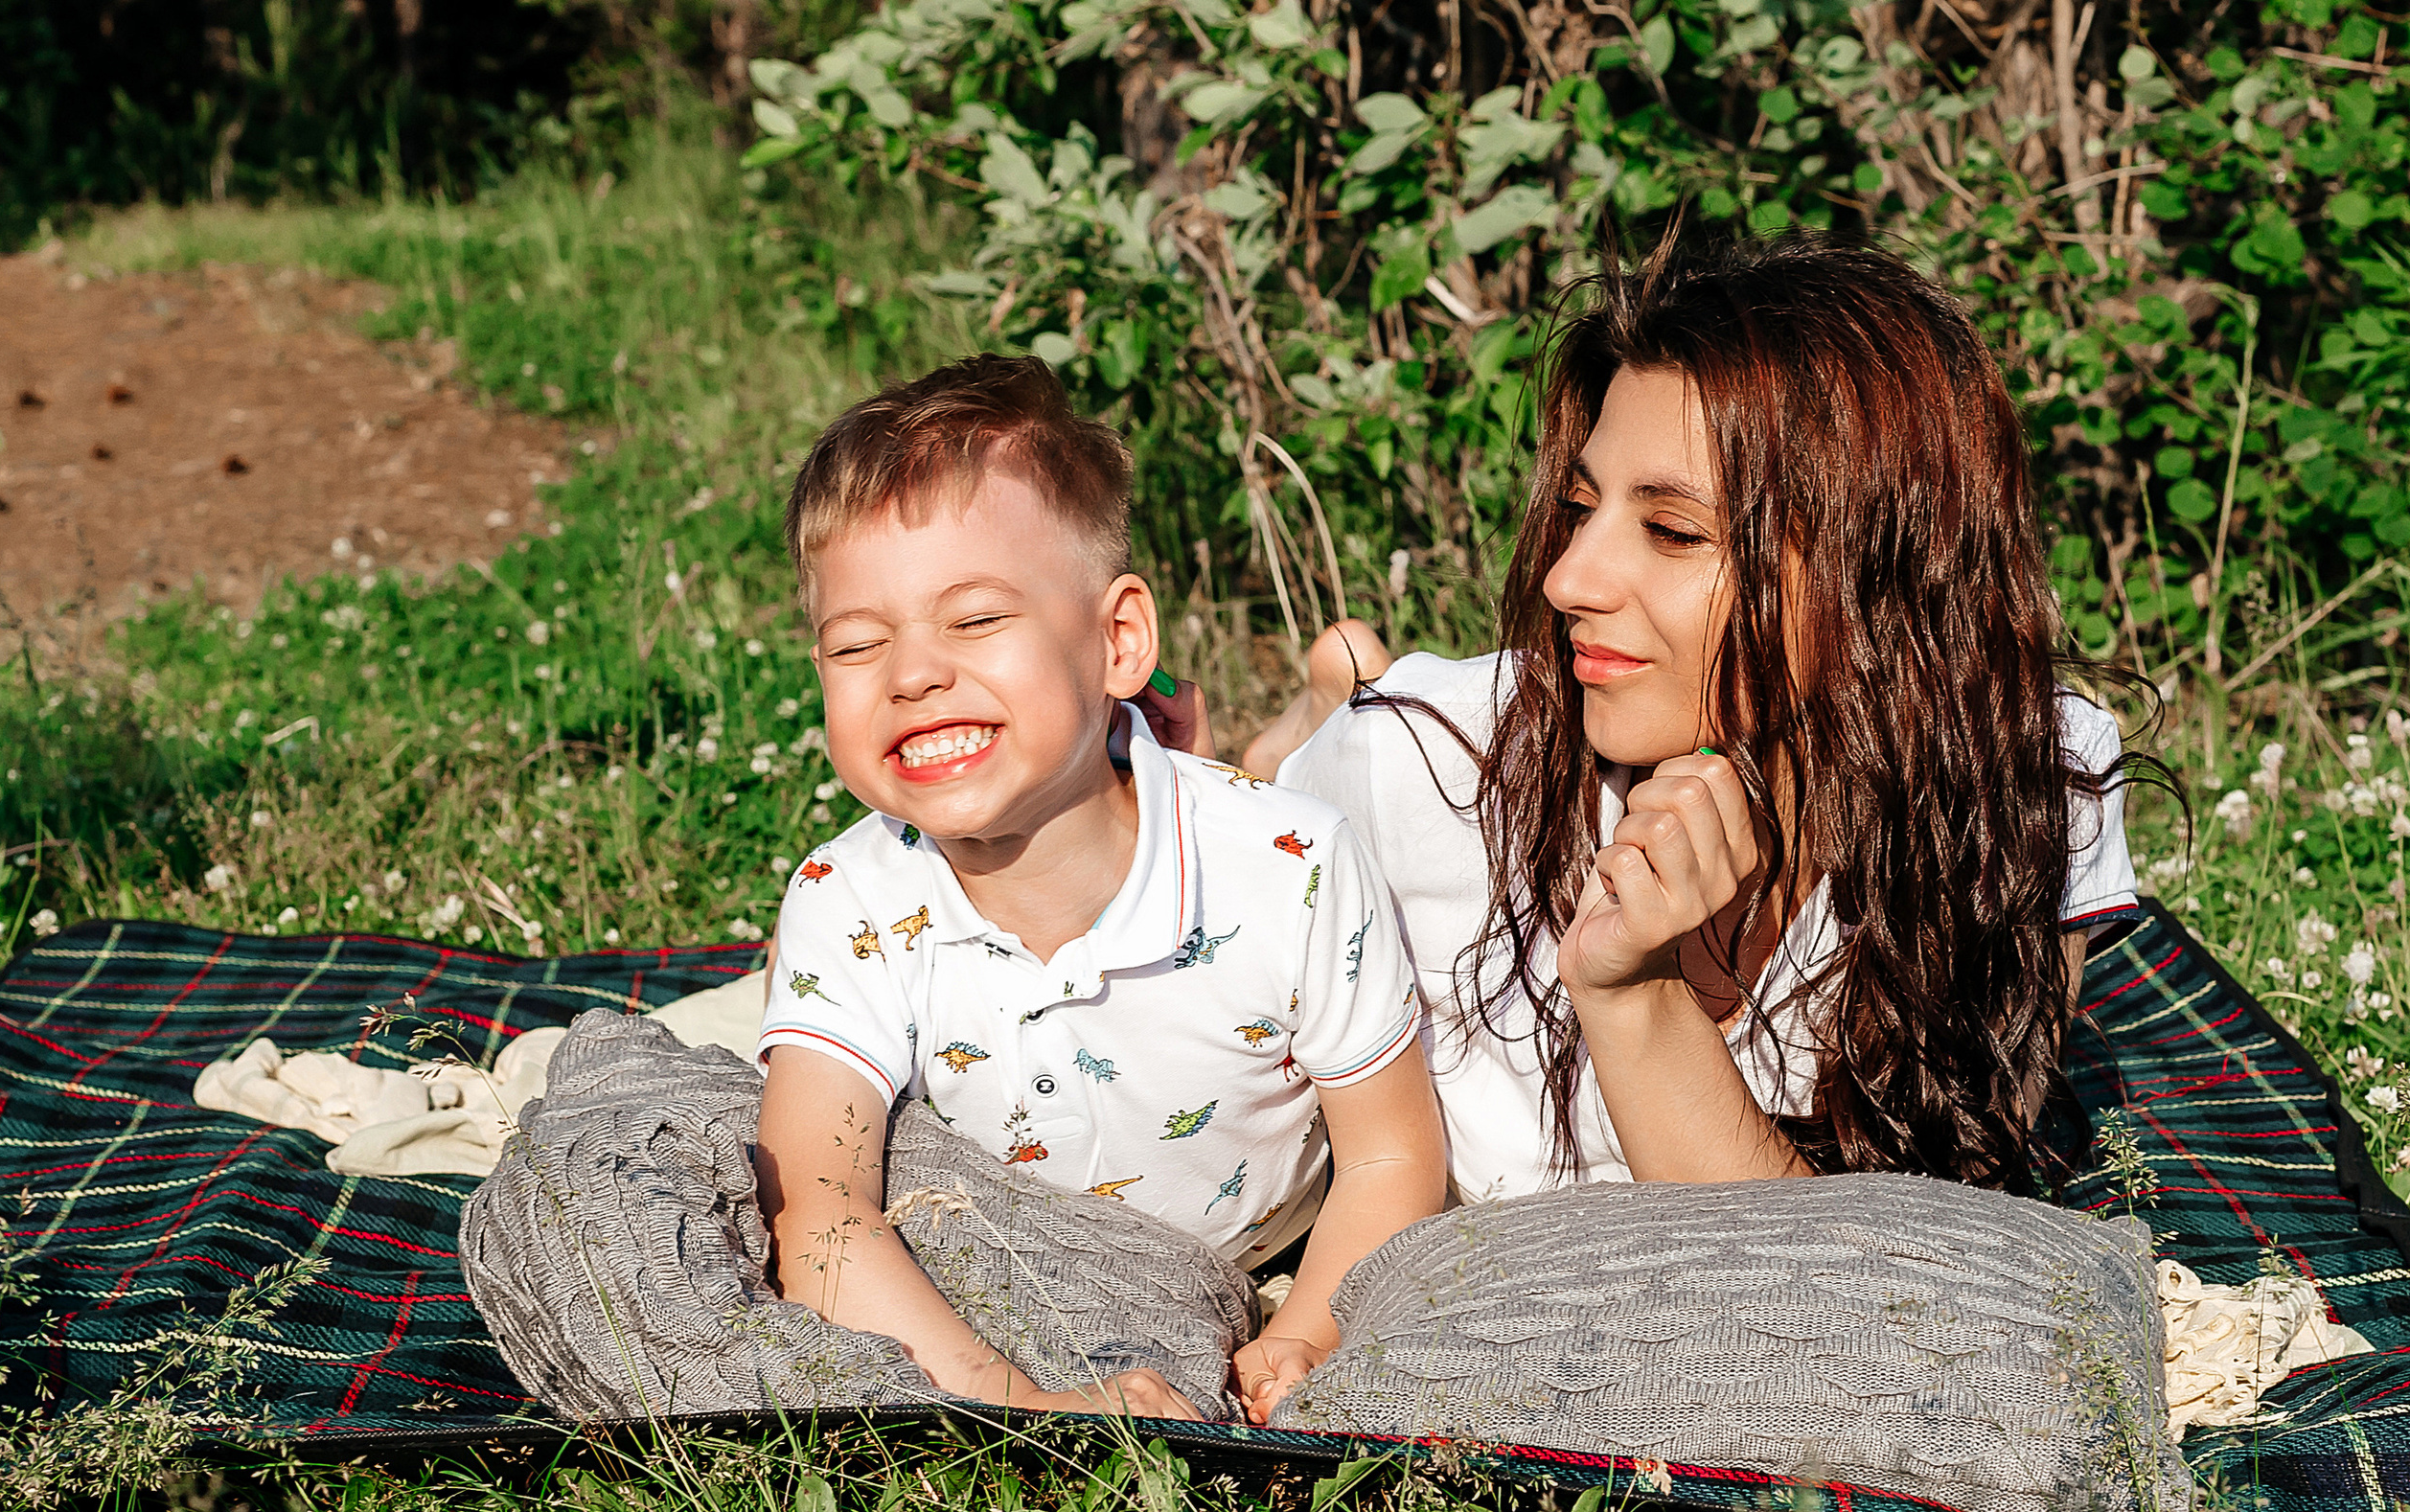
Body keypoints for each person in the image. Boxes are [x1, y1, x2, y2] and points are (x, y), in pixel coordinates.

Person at [1242, 229, 2148, 1202]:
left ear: (1878, 574)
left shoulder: (2026, 776)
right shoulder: (1419, 765)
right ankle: (1321, 704)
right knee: (1314, 752)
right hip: (1375, 743)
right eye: (1579, 507)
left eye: (1671, 531)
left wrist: (1634, 1001)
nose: (1565, 577)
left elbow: (1881, 1269)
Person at [752, 355, 1447, 1424]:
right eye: (857, 643)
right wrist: (1019, 1404)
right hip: (1043, 1248)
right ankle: (1267, 729)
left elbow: (1393, 1149)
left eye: (975, 621)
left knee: (1345, 802)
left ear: (1120, 639)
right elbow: (823, 1207)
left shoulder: (1294, 869)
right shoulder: (845, 899)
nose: (911, 674)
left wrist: (1303, 1330)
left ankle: (1321, 721)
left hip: (1273, 1231)